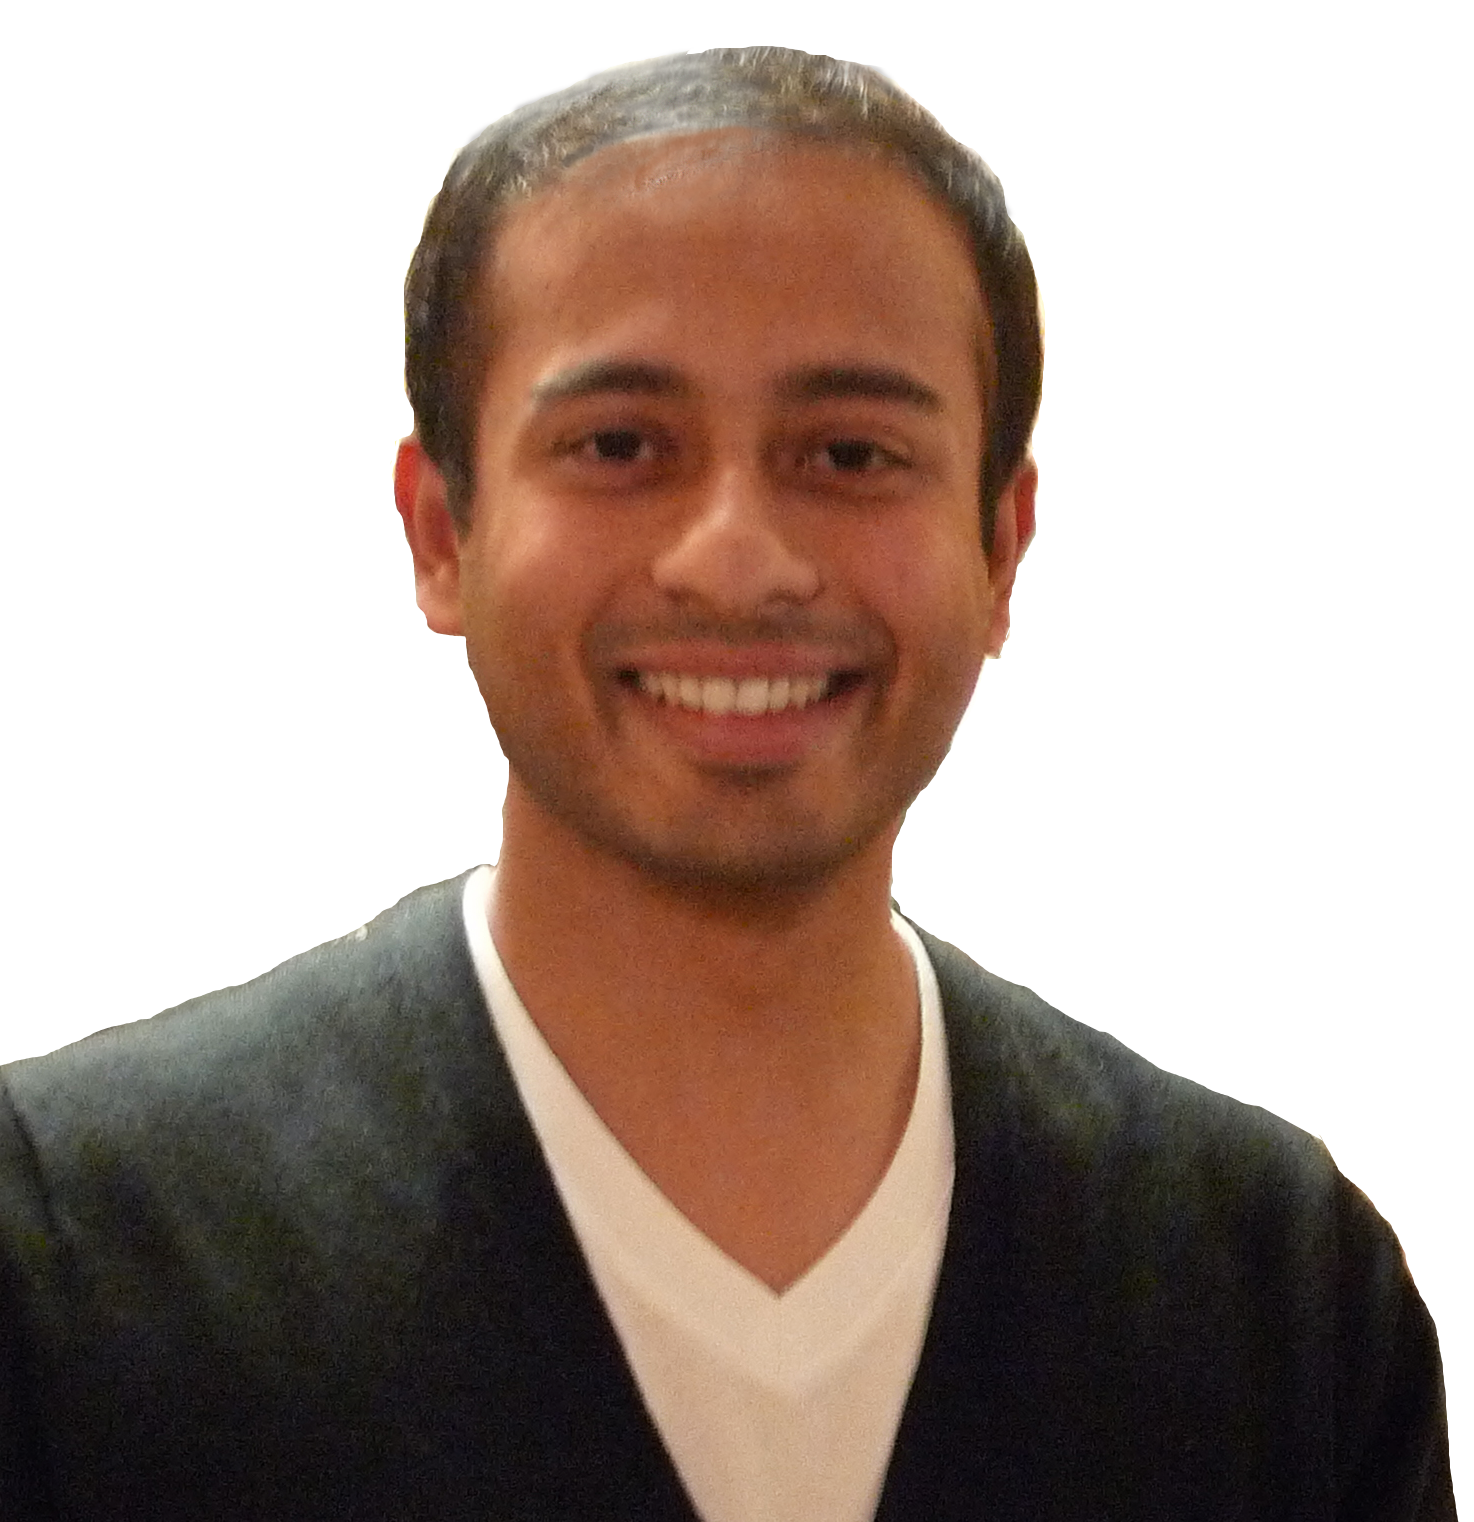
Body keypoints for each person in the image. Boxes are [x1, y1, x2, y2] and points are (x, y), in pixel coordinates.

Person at [0, 45, 1454, 1522]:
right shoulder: (69, 1258)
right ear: (441, 533)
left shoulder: (1273, 1300)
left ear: (1001, 545)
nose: (739, 557)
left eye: (851, 453)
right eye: (619, 445)